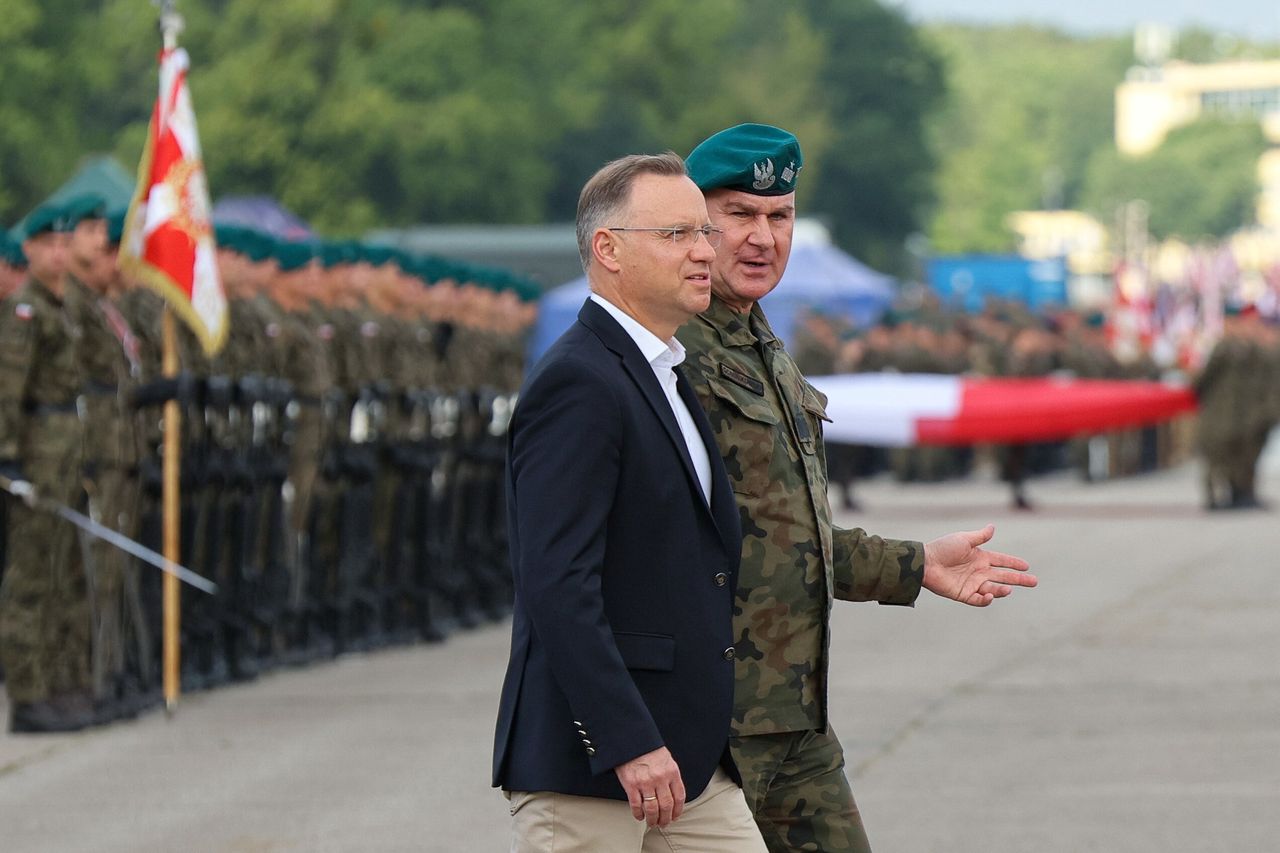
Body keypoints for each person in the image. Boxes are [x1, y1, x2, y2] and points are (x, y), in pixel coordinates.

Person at [676, 124, 1038, 852]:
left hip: (789, 716)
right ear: (695, 225)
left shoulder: (762, 348)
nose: (762, 237)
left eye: (779, 217)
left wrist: (918, 564)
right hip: (707, 724)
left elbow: (786, 535)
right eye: (740, 214)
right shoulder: (672, 352)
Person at [492, 152, 767, 852]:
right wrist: (625, 737)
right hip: (595, 768)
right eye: (678, 234)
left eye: (704, 233)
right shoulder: (580, 382)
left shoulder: (663, 373)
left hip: (688, 760)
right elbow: (557, 582)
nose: (706, 251)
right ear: (608, 250)